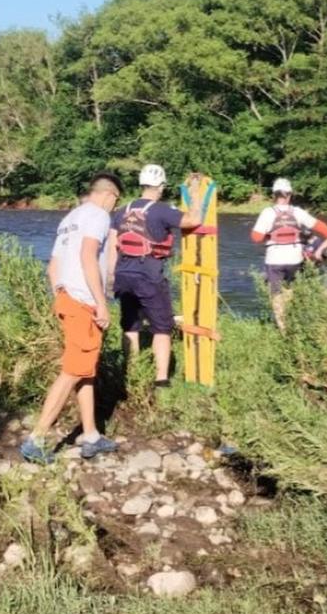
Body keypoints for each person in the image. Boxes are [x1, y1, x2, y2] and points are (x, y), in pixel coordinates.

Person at [21, 172, 124, 464]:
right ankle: (37, 439)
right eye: (115, 202)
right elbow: (88, 256)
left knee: (85, 369)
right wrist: (101, 303)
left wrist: (61, 297)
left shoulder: (69, 219)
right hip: (83, 302)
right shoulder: (99, 216)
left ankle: (90, 433)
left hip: (66, 298)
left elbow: (53, 268)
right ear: (108, 195)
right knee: (72, 371)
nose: (114, 208)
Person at [108, 165, 204, 391]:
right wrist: (195, 195)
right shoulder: (161, 210)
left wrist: (111, 278)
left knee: (130, 325)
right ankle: (161, 379)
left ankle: (130, 371)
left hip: (122, 274)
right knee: (162, 326)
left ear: (141, 185)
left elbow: (113, 247)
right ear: (160, 186)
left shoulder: (121, 211)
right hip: (148, 274)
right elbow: (193, 220)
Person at [250, 178, 327, 328]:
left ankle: (283, 327)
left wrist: (270, 236)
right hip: (295, 259)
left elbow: (256, 237)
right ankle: (293, 321)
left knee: (276, 294)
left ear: (274, 195)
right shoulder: (298, 212)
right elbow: (320, 226)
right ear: (290, 194)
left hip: (275, 259)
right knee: (290, 289)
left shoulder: (268, 213)